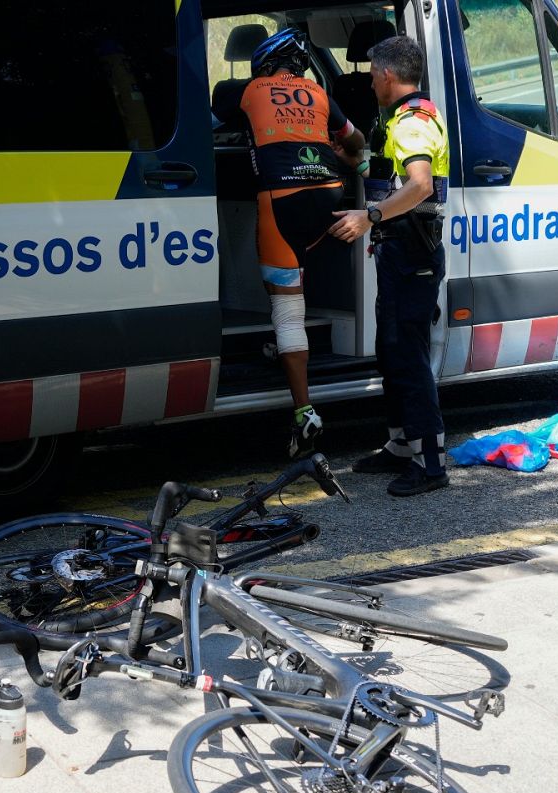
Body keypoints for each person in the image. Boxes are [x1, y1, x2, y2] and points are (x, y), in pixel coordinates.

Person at [217, 27, 365, 458]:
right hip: (330, 195)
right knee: (298, 278)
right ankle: (283, 343)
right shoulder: (319, 93)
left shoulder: (246, 90)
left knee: (285, 305)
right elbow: (355, 142)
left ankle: (304, 411)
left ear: (263, 63)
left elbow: (212, 119)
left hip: (280, 199)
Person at [327, 35, 450, 497]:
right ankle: (402, 445)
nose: (371, 79)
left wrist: (368, 217)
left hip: (412, 255)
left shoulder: (411, 124)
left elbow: (418, 186)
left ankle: (431, 462)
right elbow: (394, 179)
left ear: (388, 75)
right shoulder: (403, 119)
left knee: (409, 356)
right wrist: (356, 166)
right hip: (402, 254)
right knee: (392, 350)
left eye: (374, 71)